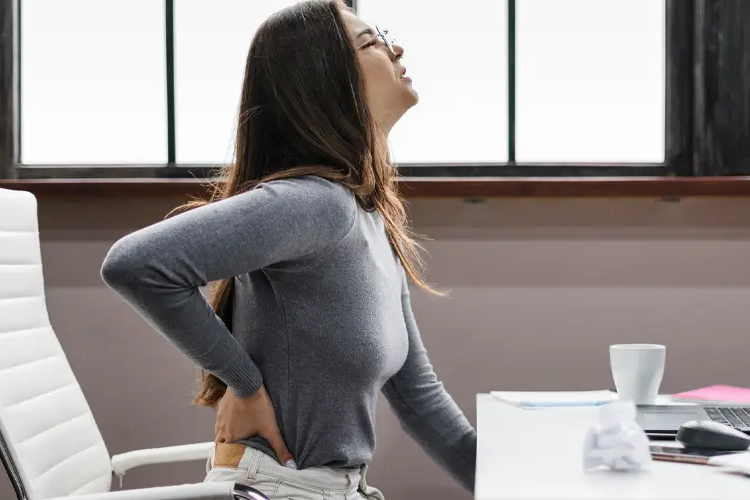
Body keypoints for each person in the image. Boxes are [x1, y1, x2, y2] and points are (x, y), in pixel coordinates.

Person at [99, 0, 476, 498]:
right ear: (327, 80)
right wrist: (244, 382)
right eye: (372, 42)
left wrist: (515, 482)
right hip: (280, 487)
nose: (397, 49)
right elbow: (135, 264)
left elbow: (420, 398)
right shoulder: (317, 204)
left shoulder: (368, 218)